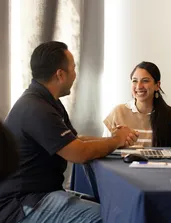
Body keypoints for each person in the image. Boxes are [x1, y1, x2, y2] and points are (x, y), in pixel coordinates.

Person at [0, 41, 138, 223]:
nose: (75, 74)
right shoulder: (36, 108)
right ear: (60, 74)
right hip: (23, 204)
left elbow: (75, 141)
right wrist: (117, 140)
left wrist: (114, 138)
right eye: (73, 68)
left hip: (39, 194)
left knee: (113, 206)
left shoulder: (48, 101)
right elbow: (78, 153)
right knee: (113, 217)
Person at [103, 61, 171, 147]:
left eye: (145, 81)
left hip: (160, 161)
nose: (139, 86)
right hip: (123, 161)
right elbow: (105, 148)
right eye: (135, 81)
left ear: (157, 85)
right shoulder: (118, 112)